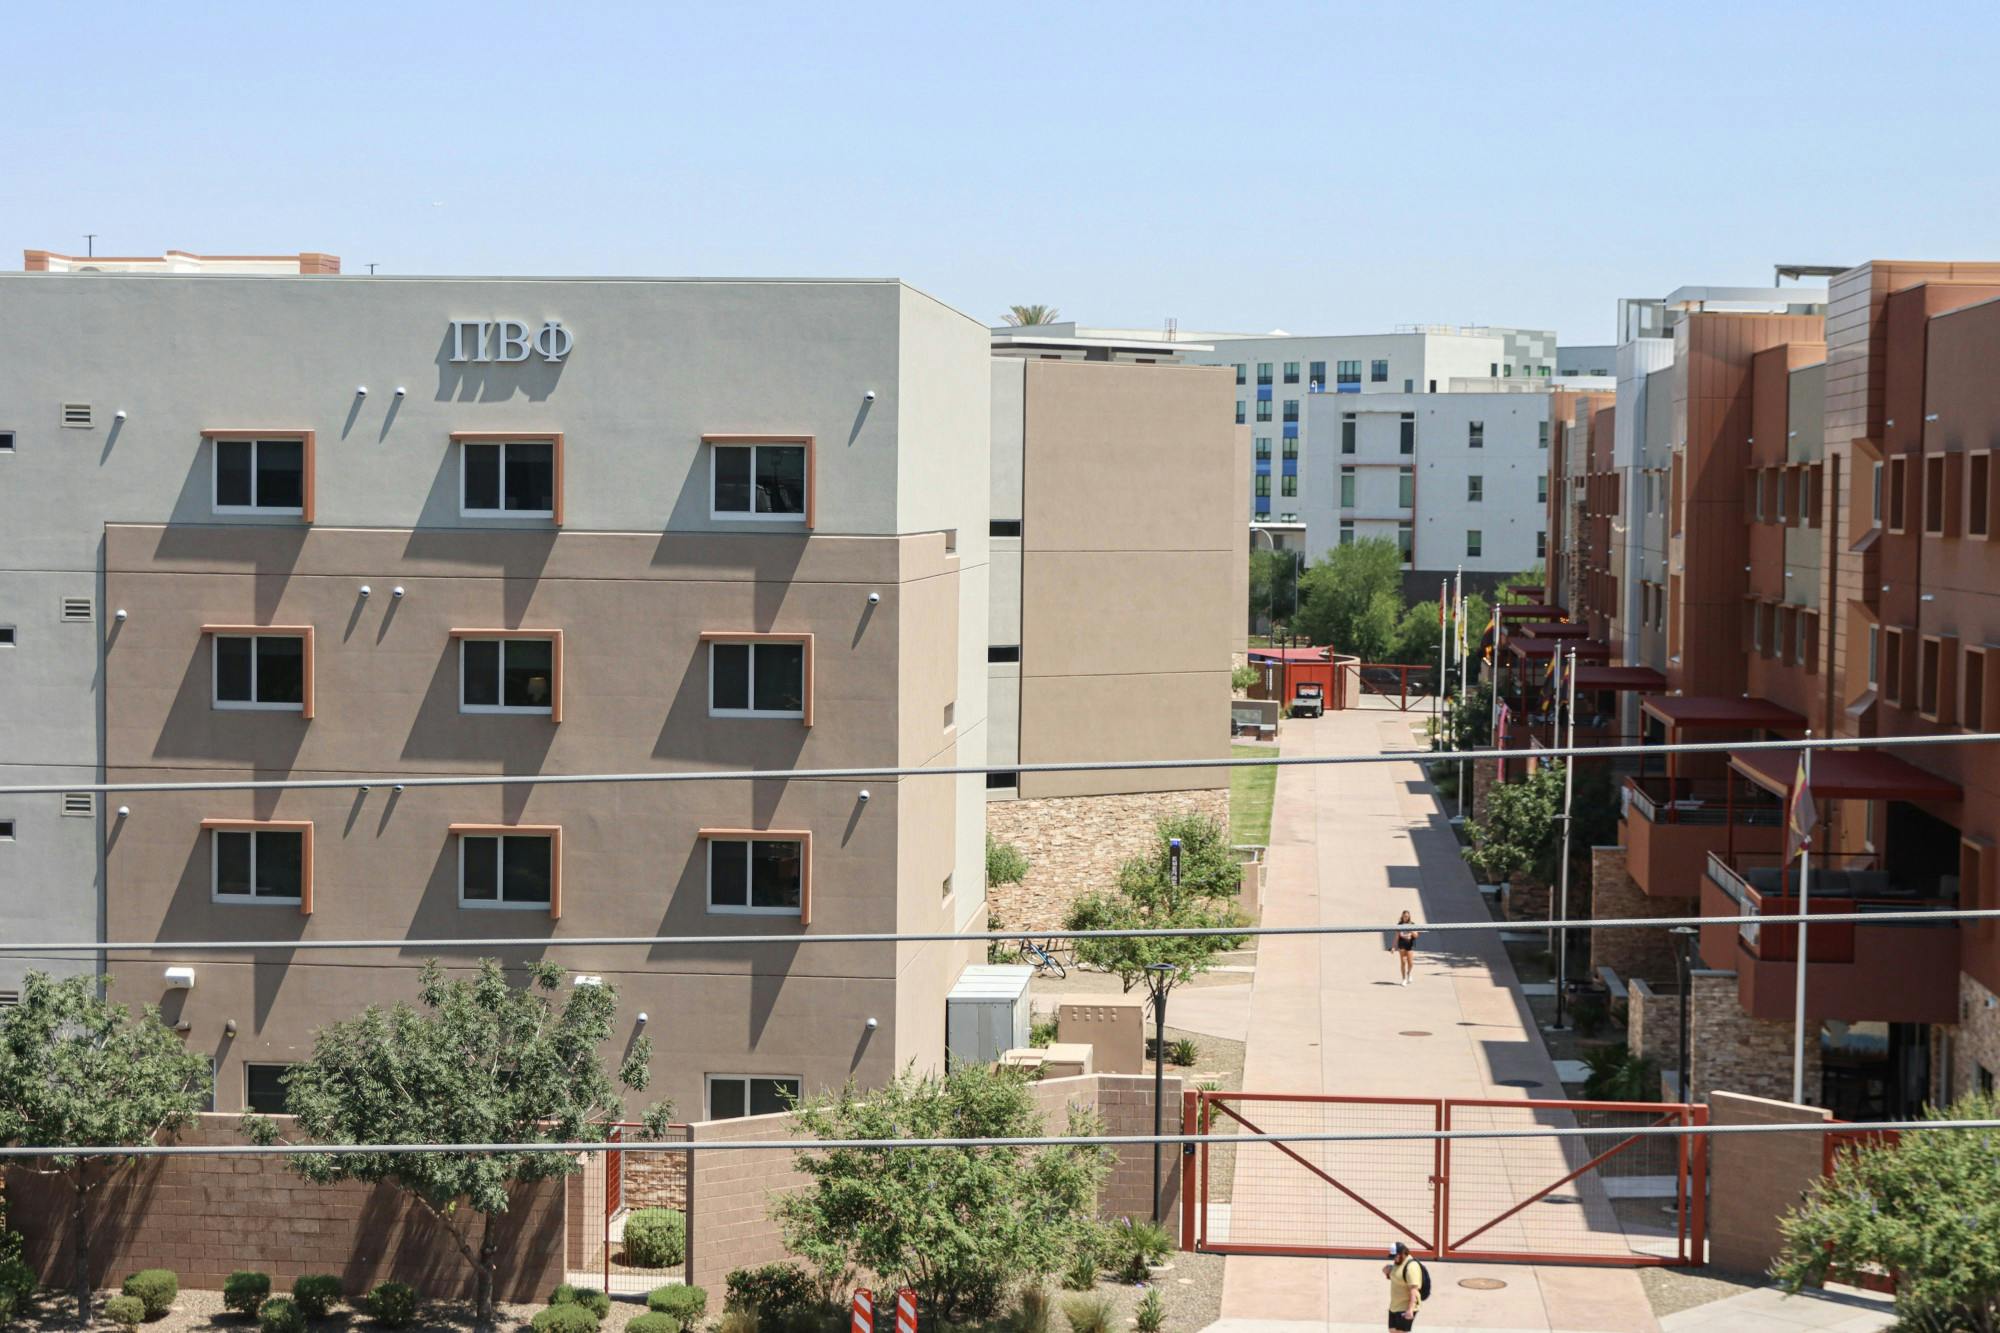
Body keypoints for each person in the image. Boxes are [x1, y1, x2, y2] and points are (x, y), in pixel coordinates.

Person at [1384, 1242, 1424, 1329]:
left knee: (1400, 1331)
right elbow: (1399, 1278)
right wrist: (1388, 1272)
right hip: (1395, 1306)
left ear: (1403, 1253)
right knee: (1392, 1330)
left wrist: (1410, 1310)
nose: (1394, 1259)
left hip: (1405, 1306)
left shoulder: (1411, 1267)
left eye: (1396, 1256)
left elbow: (1414, 1290)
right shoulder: (1398, 1263)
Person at [1393, 910, 1419, 986]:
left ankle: (1409, 973)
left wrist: (1411, 930)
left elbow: (1416, 935)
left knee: (1411, 963)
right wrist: (1393, 947)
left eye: (1407, 916)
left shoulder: (1412, 924)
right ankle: (1404, 979)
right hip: (1401, 945)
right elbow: (1396, 937)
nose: (1406, 917)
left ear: (1409, 917)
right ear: (1402, 916)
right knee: (1403, 962)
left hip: (1409, 945)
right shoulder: (1399, 925)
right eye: (1404, 916)